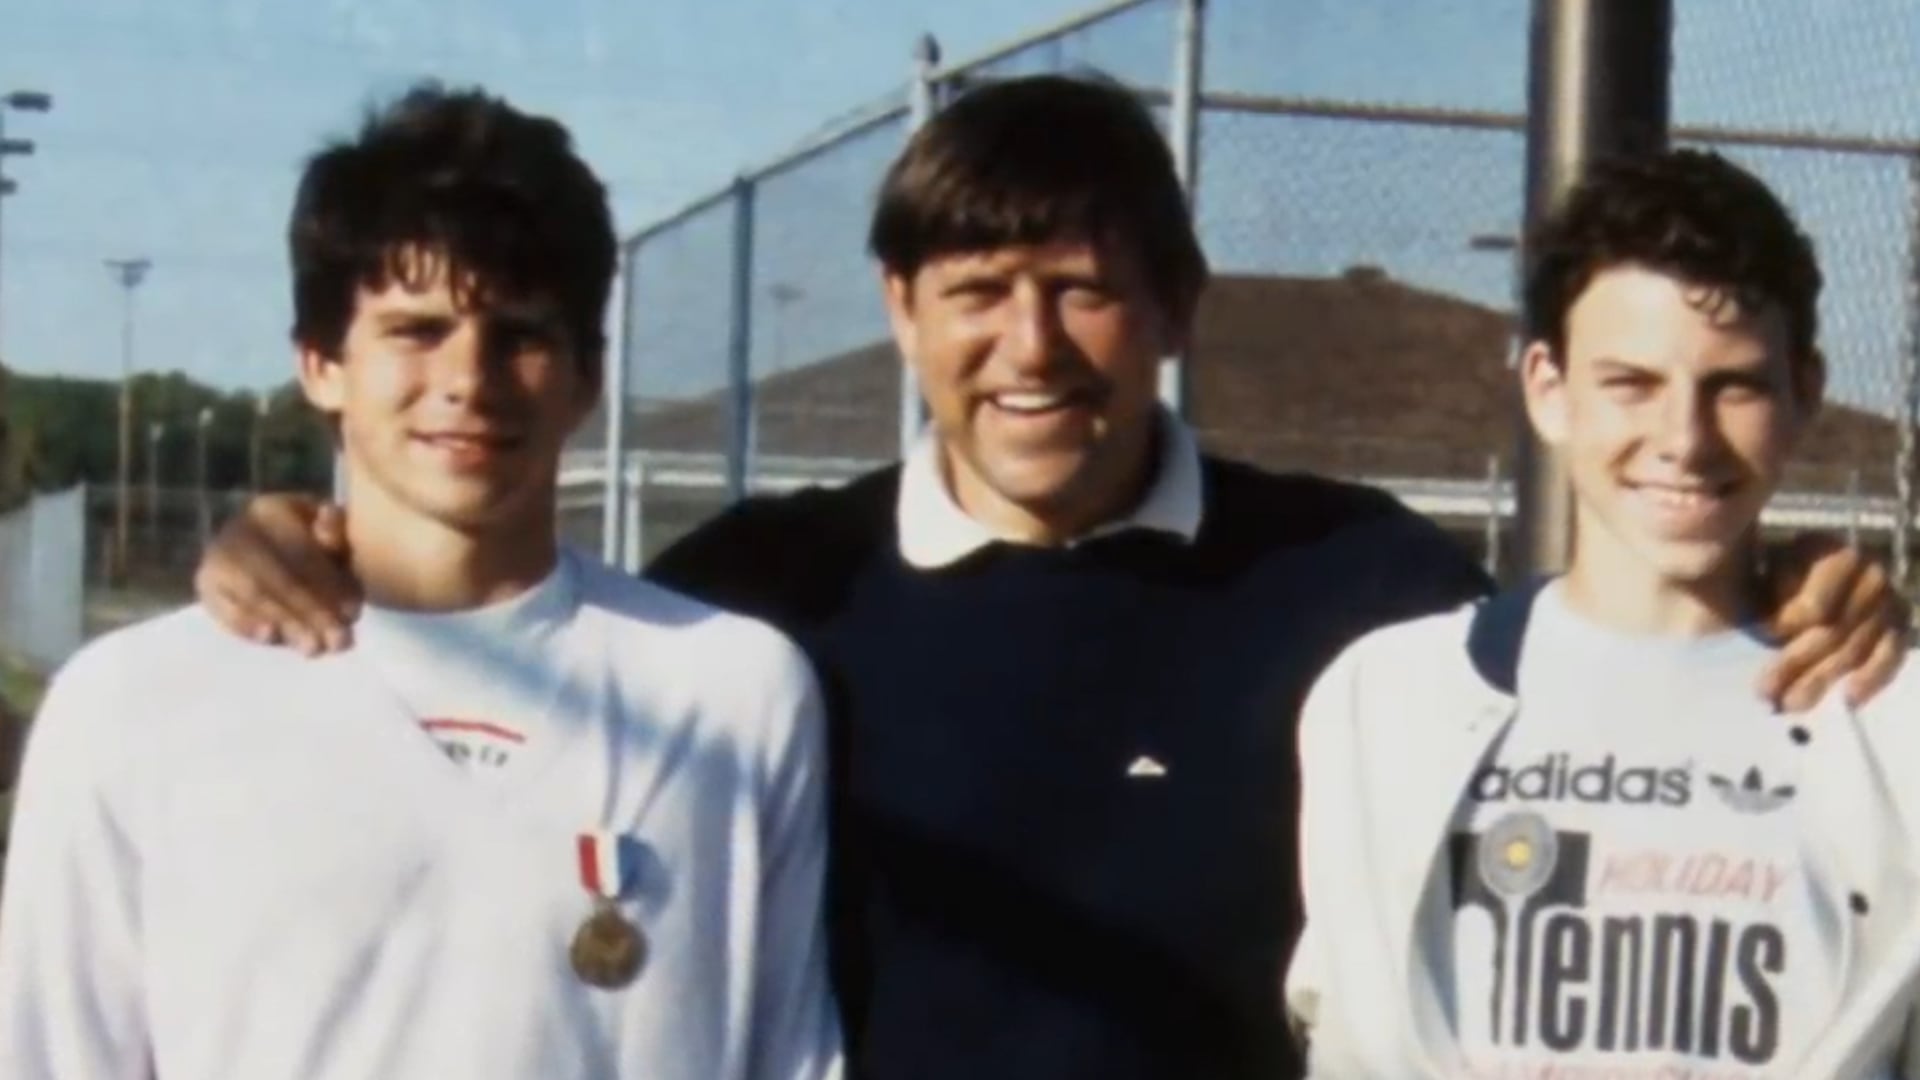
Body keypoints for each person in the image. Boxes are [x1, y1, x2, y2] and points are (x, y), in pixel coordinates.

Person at [191, 77, 1907, 1080]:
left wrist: (1798, 588)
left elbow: (1628, 633)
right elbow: (497, 635)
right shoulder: (753, 601)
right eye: (977, 289)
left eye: (1085, 291)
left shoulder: (1363, 591)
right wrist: (298, 538)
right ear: (900, 313)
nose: (1032, 348)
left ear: (1174, 309)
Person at [0, 84, 841, 1080]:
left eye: (521, 334)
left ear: (587, 375)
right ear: (319, 364)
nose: (469, 378)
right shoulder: (131, 704)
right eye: (416, 328)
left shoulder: (731, 693)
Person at [1287, 148, 1920, 1078]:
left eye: (1735, 385)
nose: (1684, 439)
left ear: (1806, 393)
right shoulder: (1380, 703)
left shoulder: (1894, 718)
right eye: (1632, 383)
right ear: (1549, 388)